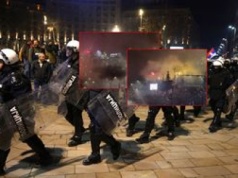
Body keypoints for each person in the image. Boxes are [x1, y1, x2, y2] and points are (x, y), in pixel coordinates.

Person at [0, 48, 54, 175]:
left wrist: (3, 92)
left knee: (27, 137)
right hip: (8, 113)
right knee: (5, 139)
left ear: (8, 62)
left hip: (18, 114)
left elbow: (22, 100)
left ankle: (46, 157)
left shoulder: (16, 78)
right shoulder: (5, 75)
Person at [82, 90, 121, 165]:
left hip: (104, 95)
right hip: (91, 94)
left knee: (98, 129)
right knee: (94, 127)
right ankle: (95, 154)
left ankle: (114, 144)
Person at [61, 40, 88, 147]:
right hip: (71, 91)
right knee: (67, 113)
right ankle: (80, 128)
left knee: (76, 113)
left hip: (79, 92)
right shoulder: (71, 60)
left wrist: (64, 89)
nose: (67, 51)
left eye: (69, 49)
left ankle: (78, 136)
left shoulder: (80, 62)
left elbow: (74, 77)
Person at [208, 59, 233, 132]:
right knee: (213, 107)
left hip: (221, 93)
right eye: (215, 66)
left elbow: (230, 83)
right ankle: (218, 121)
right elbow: (208, 81)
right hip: (212, 92)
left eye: (217, 67)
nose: (216, 68)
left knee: (218, 108)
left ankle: (214, 124)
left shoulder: (226, 73)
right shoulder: (210, 72)